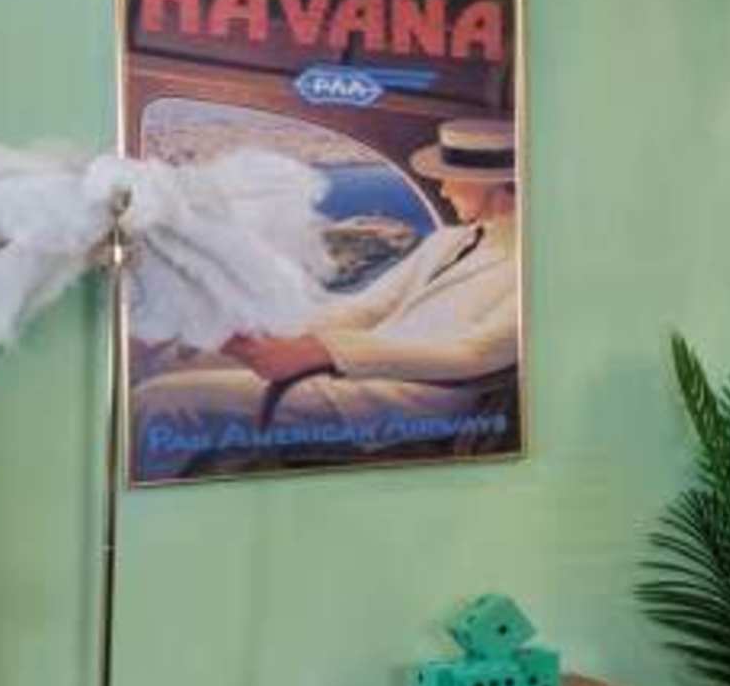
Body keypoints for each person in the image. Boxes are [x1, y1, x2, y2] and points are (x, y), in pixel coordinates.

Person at [136, 115, 523, 471]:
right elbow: (368, 309)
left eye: (453, 176)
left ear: (496, 186)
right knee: (168, 357)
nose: (443, 187)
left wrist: (324, 353)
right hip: (358, 366)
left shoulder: (532, 265)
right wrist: (269, 324)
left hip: (409, 396)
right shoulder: (448, 241)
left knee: (163, 403)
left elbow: (478, 351)